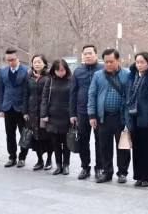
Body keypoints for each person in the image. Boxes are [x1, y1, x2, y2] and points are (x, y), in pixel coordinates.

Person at [88, 48, 131, 183]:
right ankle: (107, 172)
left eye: (111, 61)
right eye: (106, 62)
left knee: (123, 146)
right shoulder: (98, 75)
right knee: (104, 146)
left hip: (121, 117)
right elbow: (92, 95)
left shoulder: (127, 74)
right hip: (103, 117)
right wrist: (91, 115)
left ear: (118, 60)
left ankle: (122, 172)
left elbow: (130, 95)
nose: (108, 64)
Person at [127, 52, 148, 187]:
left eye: (142, 62)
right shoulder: (133, 75)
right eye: (137, 62)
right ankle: (139, 176)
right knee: (137, 148)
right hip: (134, 116)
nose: (139, 65)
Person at [71, 45, 103, 180]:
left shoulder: (102, 70)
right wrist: (72, 114)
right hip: (82, 111)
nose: (88, 56)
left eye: (90, 53)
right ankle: (85, 167)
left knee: (100, 141)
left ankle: (99, 167)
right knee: (83, 140)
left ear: (96, 54)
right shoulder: (78, 71)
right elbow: (72, 93)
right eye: (85, 54)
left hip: (100, 111)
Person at [0, 48, 30, 167]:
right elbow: (0, 90)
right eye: (8, 60)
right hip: (8, 107)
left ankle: (22, 157)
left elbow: (29, 91)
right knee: (9, 133)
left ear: (18, 58)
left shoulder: (26, 71)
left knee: (24, 133)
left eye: (12, 60)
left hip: (22, 108)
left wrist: (27, 109)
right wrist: (1, 108)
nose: (10, 62)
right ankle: (12, 157)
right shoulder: (3, 71)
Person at [41, 59, 72, 175]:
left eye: (62, 70)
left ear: (66, 69)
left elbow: (73, 98)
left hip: (66, 115)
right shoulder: (50, 80)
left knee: (66, 142)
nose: (60, 73)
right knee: (55, 142)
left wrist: (73, 115)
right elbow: (44, 98)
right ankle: (58, 165)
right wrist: (44, 114)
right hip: (53, 115)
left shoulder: (71, 80)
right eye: (58, 71)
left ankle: (66, 165)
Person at [27, 54, 53, 171]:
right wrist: (25, 111)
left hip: (45, 110)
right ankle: (39, 160)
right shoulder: (29, 76)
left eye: (39, 62)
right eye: (35, 62)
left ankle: (49, 159)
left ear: (44, 63)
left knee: (47, 135)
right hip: (32, 110)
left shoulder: (49, 76)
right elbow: (25, 94)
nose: (36, 64)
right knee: (35, 136)